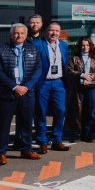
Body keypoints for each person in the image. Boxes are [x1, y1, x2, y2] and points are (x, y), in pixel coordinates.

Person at [0, 24, 43, 165]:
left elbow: (38, 70)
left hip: (27, 93)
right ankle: (1, 153)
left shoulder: (33, 48)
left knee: (27, 123)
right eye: (16, 33)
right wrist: (15, 87)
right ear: (11, 34)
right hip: (7, 93)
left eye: (22, 33)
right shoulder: (0, 49)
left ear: (26, 35)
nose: (19, 36)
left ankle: (26, 150)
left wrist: (25, 87)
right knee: (3, 125)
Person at [33, 23, 71, 154]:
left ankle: (56, 140)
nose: (54, 33)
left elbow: (64, 63)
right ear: (46, 31)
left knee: (60, 111)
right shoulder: (37, 44)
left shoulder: (63, 45)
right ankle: (42, 142)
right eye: (51, 30)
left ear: (59, 32)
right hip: (42, 83)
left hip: (58, 83)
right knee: (40, 113)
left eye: (57, 31)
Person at [65, 37, 95, 142]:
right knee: (78, 111)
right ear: (79, 46)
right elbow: (69, 71)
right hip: (78, 87)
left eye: (87, 45)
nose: (85, 47)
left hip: (92, 88)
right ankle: (78, 133)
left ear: (91, 46)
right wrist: (82, 75)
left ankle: (92, 133)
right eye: (83, 45)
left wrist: (90, 78)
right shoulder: (74, 58)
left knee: (92, 111)